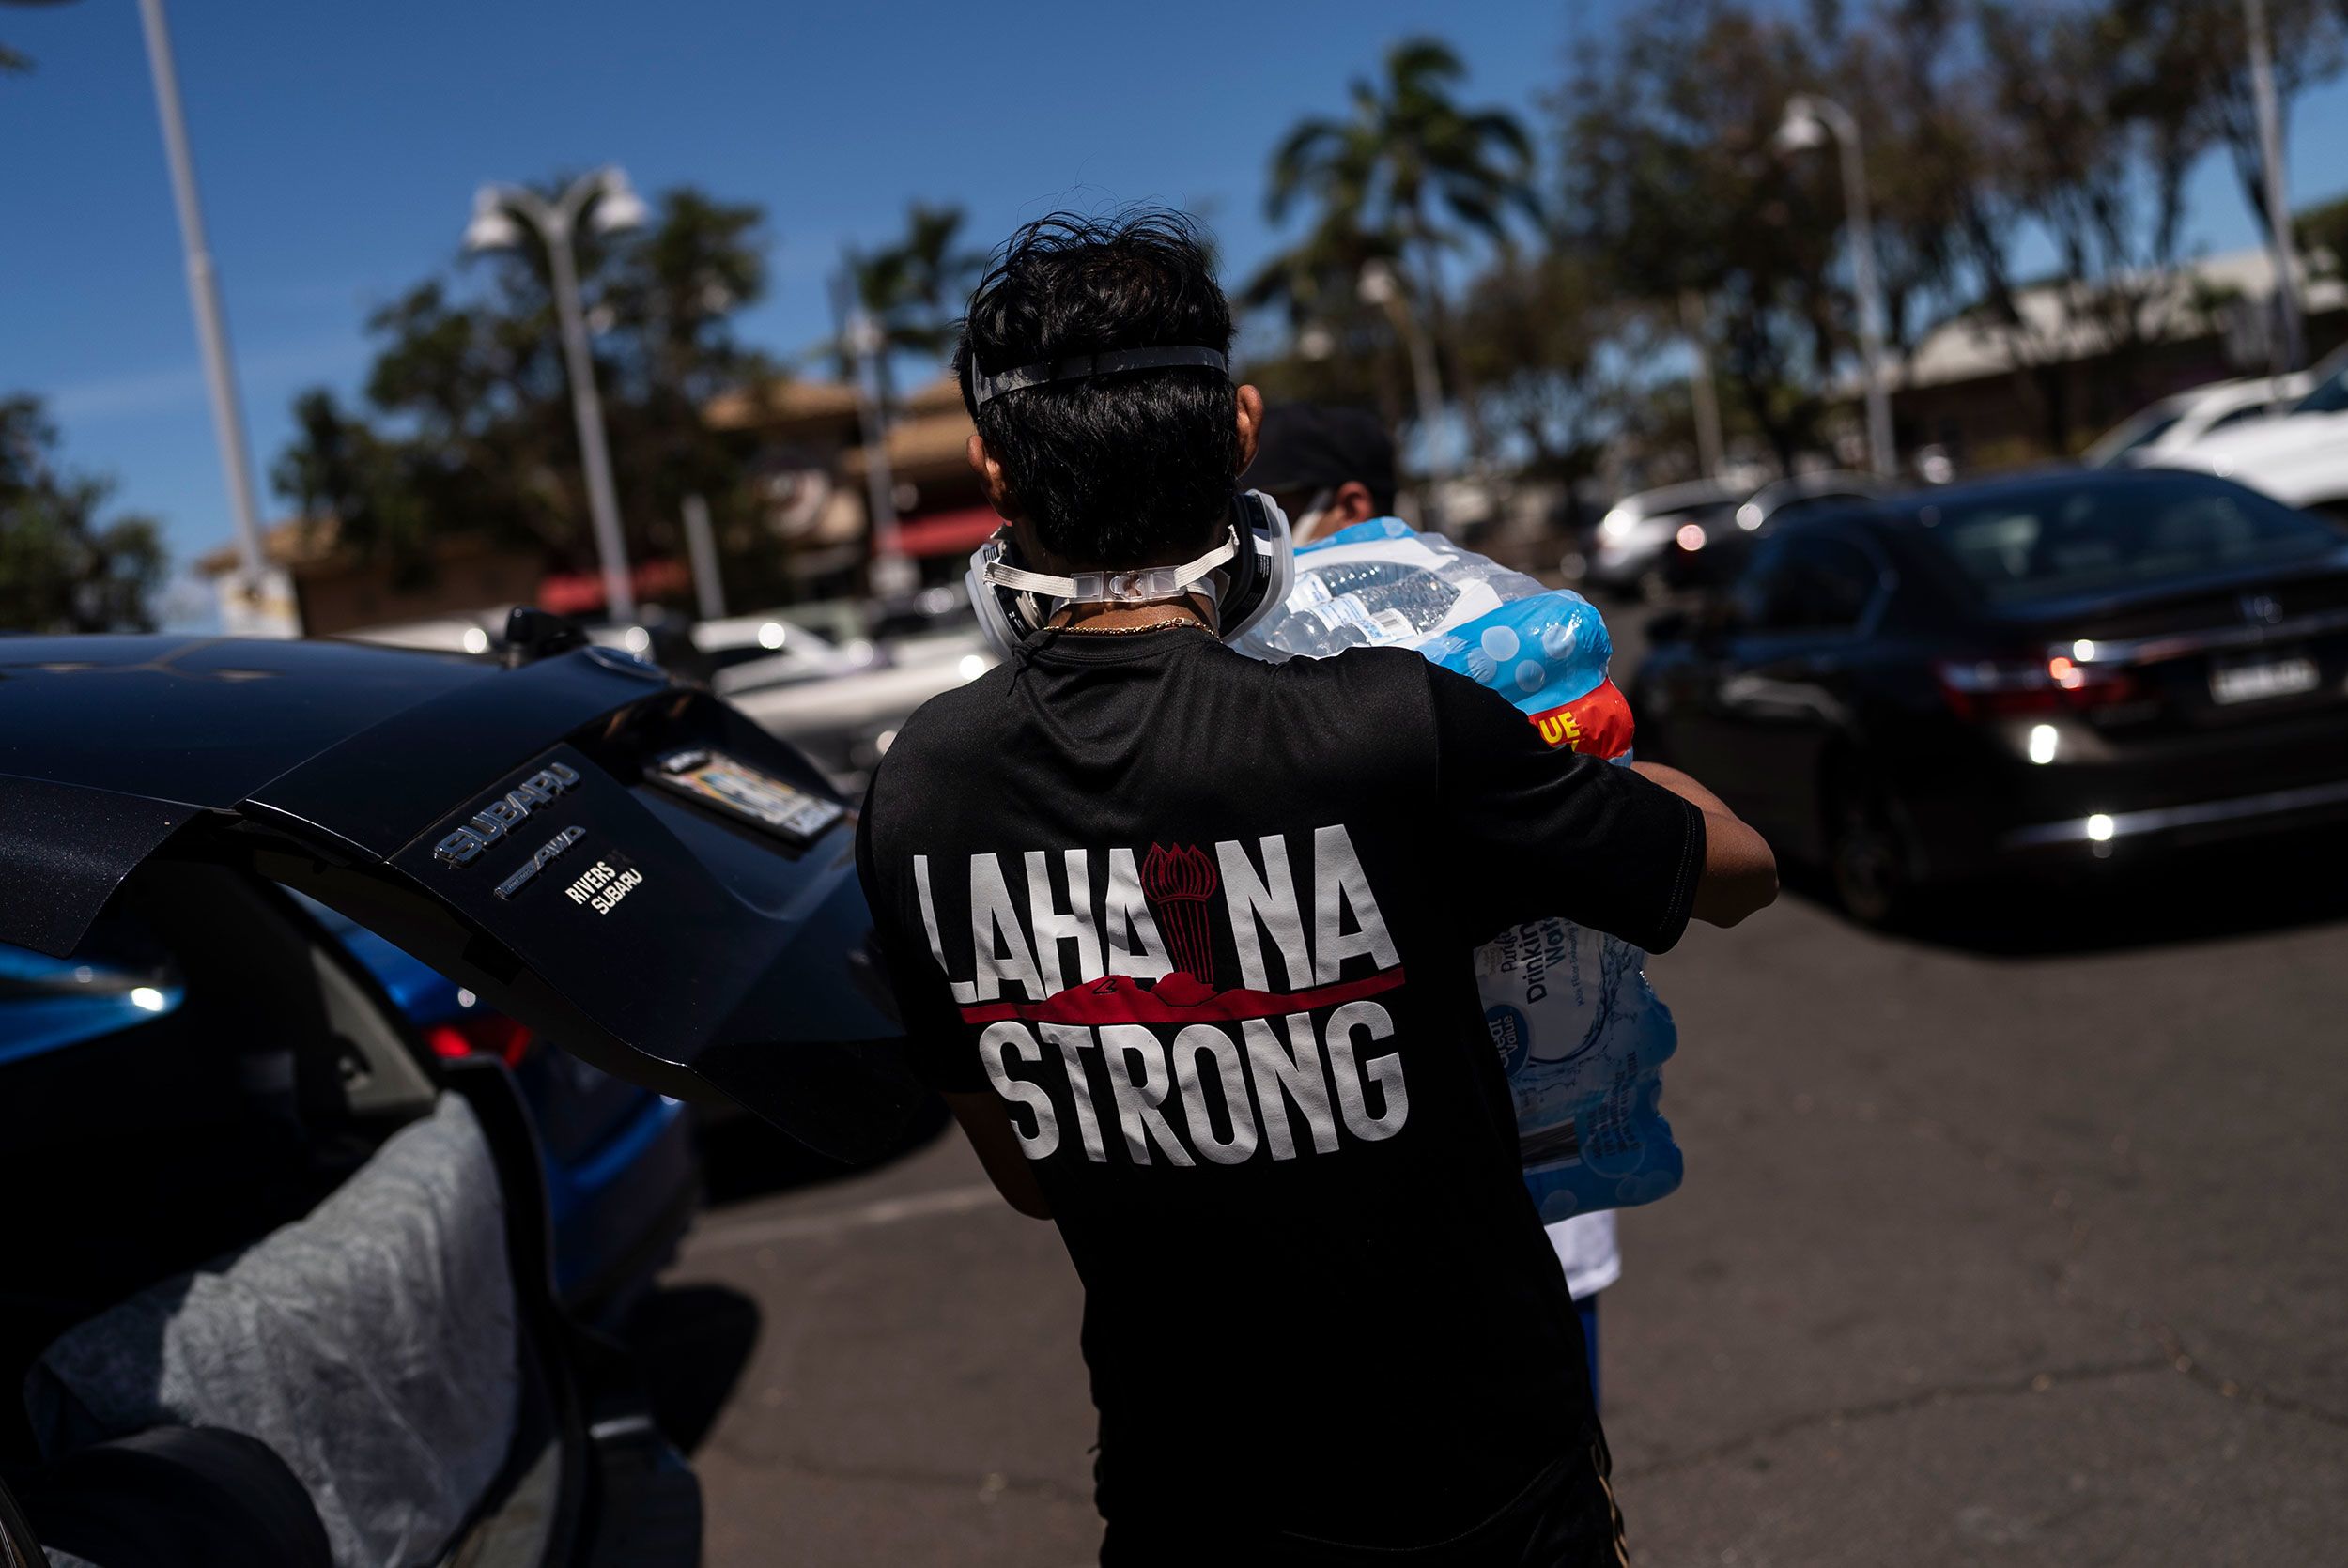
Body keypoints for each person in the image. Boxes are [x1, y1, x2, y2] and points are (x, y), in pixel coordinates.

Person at [854, 210, 1776, 1566]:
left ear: (993, 465)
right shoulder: (1396, 723)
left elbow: (1036, 1180)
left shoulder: (921, 787)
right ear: (1239, 431)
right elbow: (1740, 873)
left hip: (1188, 1502)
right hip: (1483, 1495)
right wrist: (1563, 734)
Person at [1247, 402, 1625, 1407]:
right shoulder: (1281, 649)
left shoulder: (1475, 642)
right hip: (1404, 1157)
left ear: (1350, 506)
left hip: (1521, 1146)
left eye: (1265, 512)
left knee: (1544, 1431)